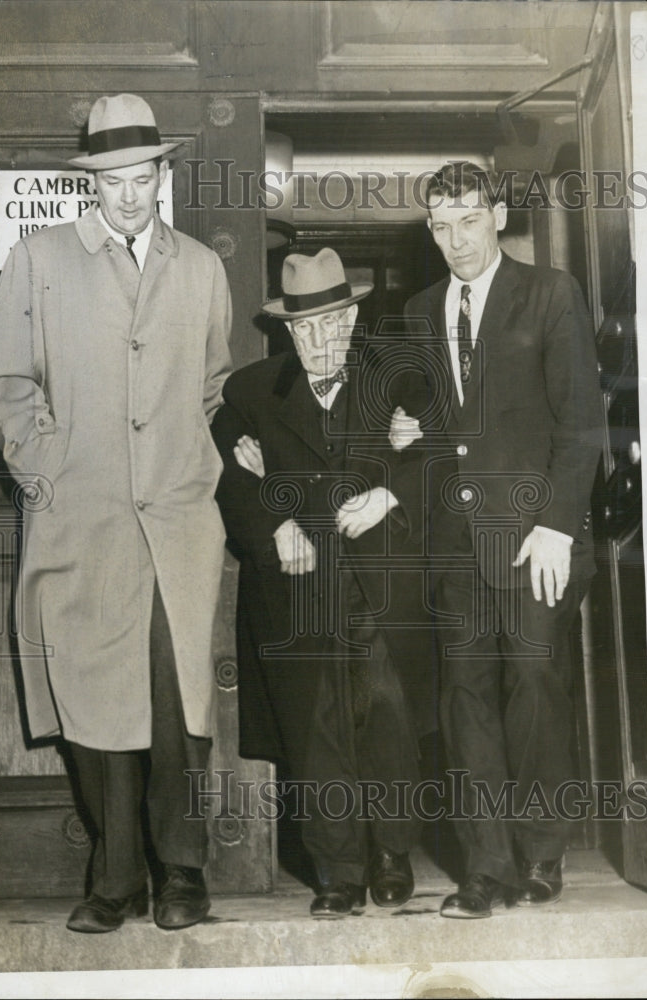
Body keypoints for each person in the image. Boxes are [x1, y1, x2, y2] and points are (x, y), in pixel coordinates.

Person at [0, 94, 232, 933]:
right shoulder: (38, 259)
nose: (130, 193)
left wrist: (192, 467)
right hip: (80, 523)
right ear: (92, 182)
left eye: (144, 174)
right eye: (114, 178)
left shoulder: (198, 266)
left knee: (175, 699)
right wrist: (51, 473)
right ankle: (115, 878)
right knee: (95, 704)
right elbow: (7, 388)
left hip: (177, 525)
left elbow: (211, 385)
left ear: (163, 174)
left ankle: (183, 874)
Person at [392, 161, 604, 918]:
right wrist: (411, 431)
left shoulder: (549, 294)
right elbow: (445, 428)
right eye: (441, 227)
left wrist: (554, 525)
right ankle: (485, 867)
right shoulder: (419, 311)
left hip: (532, 539)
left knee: (536, 693)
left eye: (469, 221)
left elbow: (580, 427)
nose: (457, 240)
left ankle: (540, 851)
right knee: (465, 702)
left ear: (498, 216)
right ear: (430, 230)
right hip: (457, 545)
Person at [211, 248, 437, 918]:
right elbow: (221, 476)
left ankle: (392, 853)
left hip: (380, 591)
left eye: (332, 324)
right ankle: (335, 869)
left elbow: (446, 458)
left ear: (352, 319)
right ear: (285, 330)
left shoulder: (398, 382)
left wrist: (389, 494)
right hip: (297, 595)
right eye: (304, 328)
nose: (320, 341)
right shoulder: (250, 395)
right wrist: (273, 522)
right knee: (317, 734)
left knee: (389, 720)